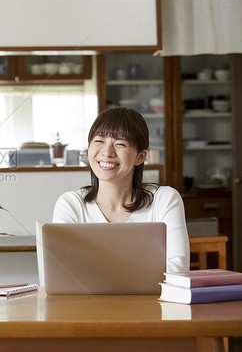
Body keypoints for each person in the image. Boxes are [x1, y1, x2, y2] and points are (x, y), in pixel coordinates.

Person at [52, 107, 189, 273]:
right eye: (99, 141)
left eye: (120, 144)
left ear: (140, 157)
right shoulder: (71, 204)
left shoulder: (165, 200)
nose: (107, 152)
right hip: (88, 301)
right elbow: (63, 272)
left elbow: (178, 269)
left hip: (152, 300)